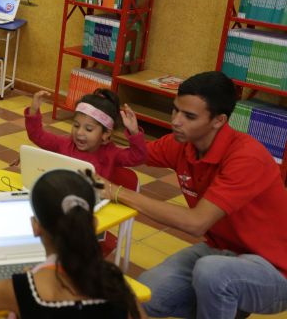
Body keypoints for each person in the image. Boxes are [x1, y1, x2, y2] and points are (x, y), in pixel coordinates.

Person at [100, 71, 287, 318]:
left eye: (189, 116)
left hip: (275, 270)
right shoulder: (182, 143)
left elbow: (196, 222)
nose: (176, 121)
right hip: (221, 252)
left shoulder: (246, 157)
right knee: (141, 294)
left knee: (213, 275)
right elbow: (134, 155)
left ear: (218, 120)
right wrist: (88, 135)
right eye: (175, 110)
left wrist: (116, 192)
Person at [0, 169, 142, 318]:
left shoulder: (25, 289)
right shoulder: (115, 282)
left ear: (35, 226)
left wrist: (7, 289)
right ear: (93, 223)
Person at [25, 89, 147, 182]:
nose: (79, 133)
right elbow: (37, 135)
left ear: (106, 134)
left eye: (88, 129)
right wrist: (33, 110)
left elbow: (138, 157)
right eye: (76, 125)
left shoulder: (111, 154)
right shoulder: (64, 144)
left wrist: (134, 133)